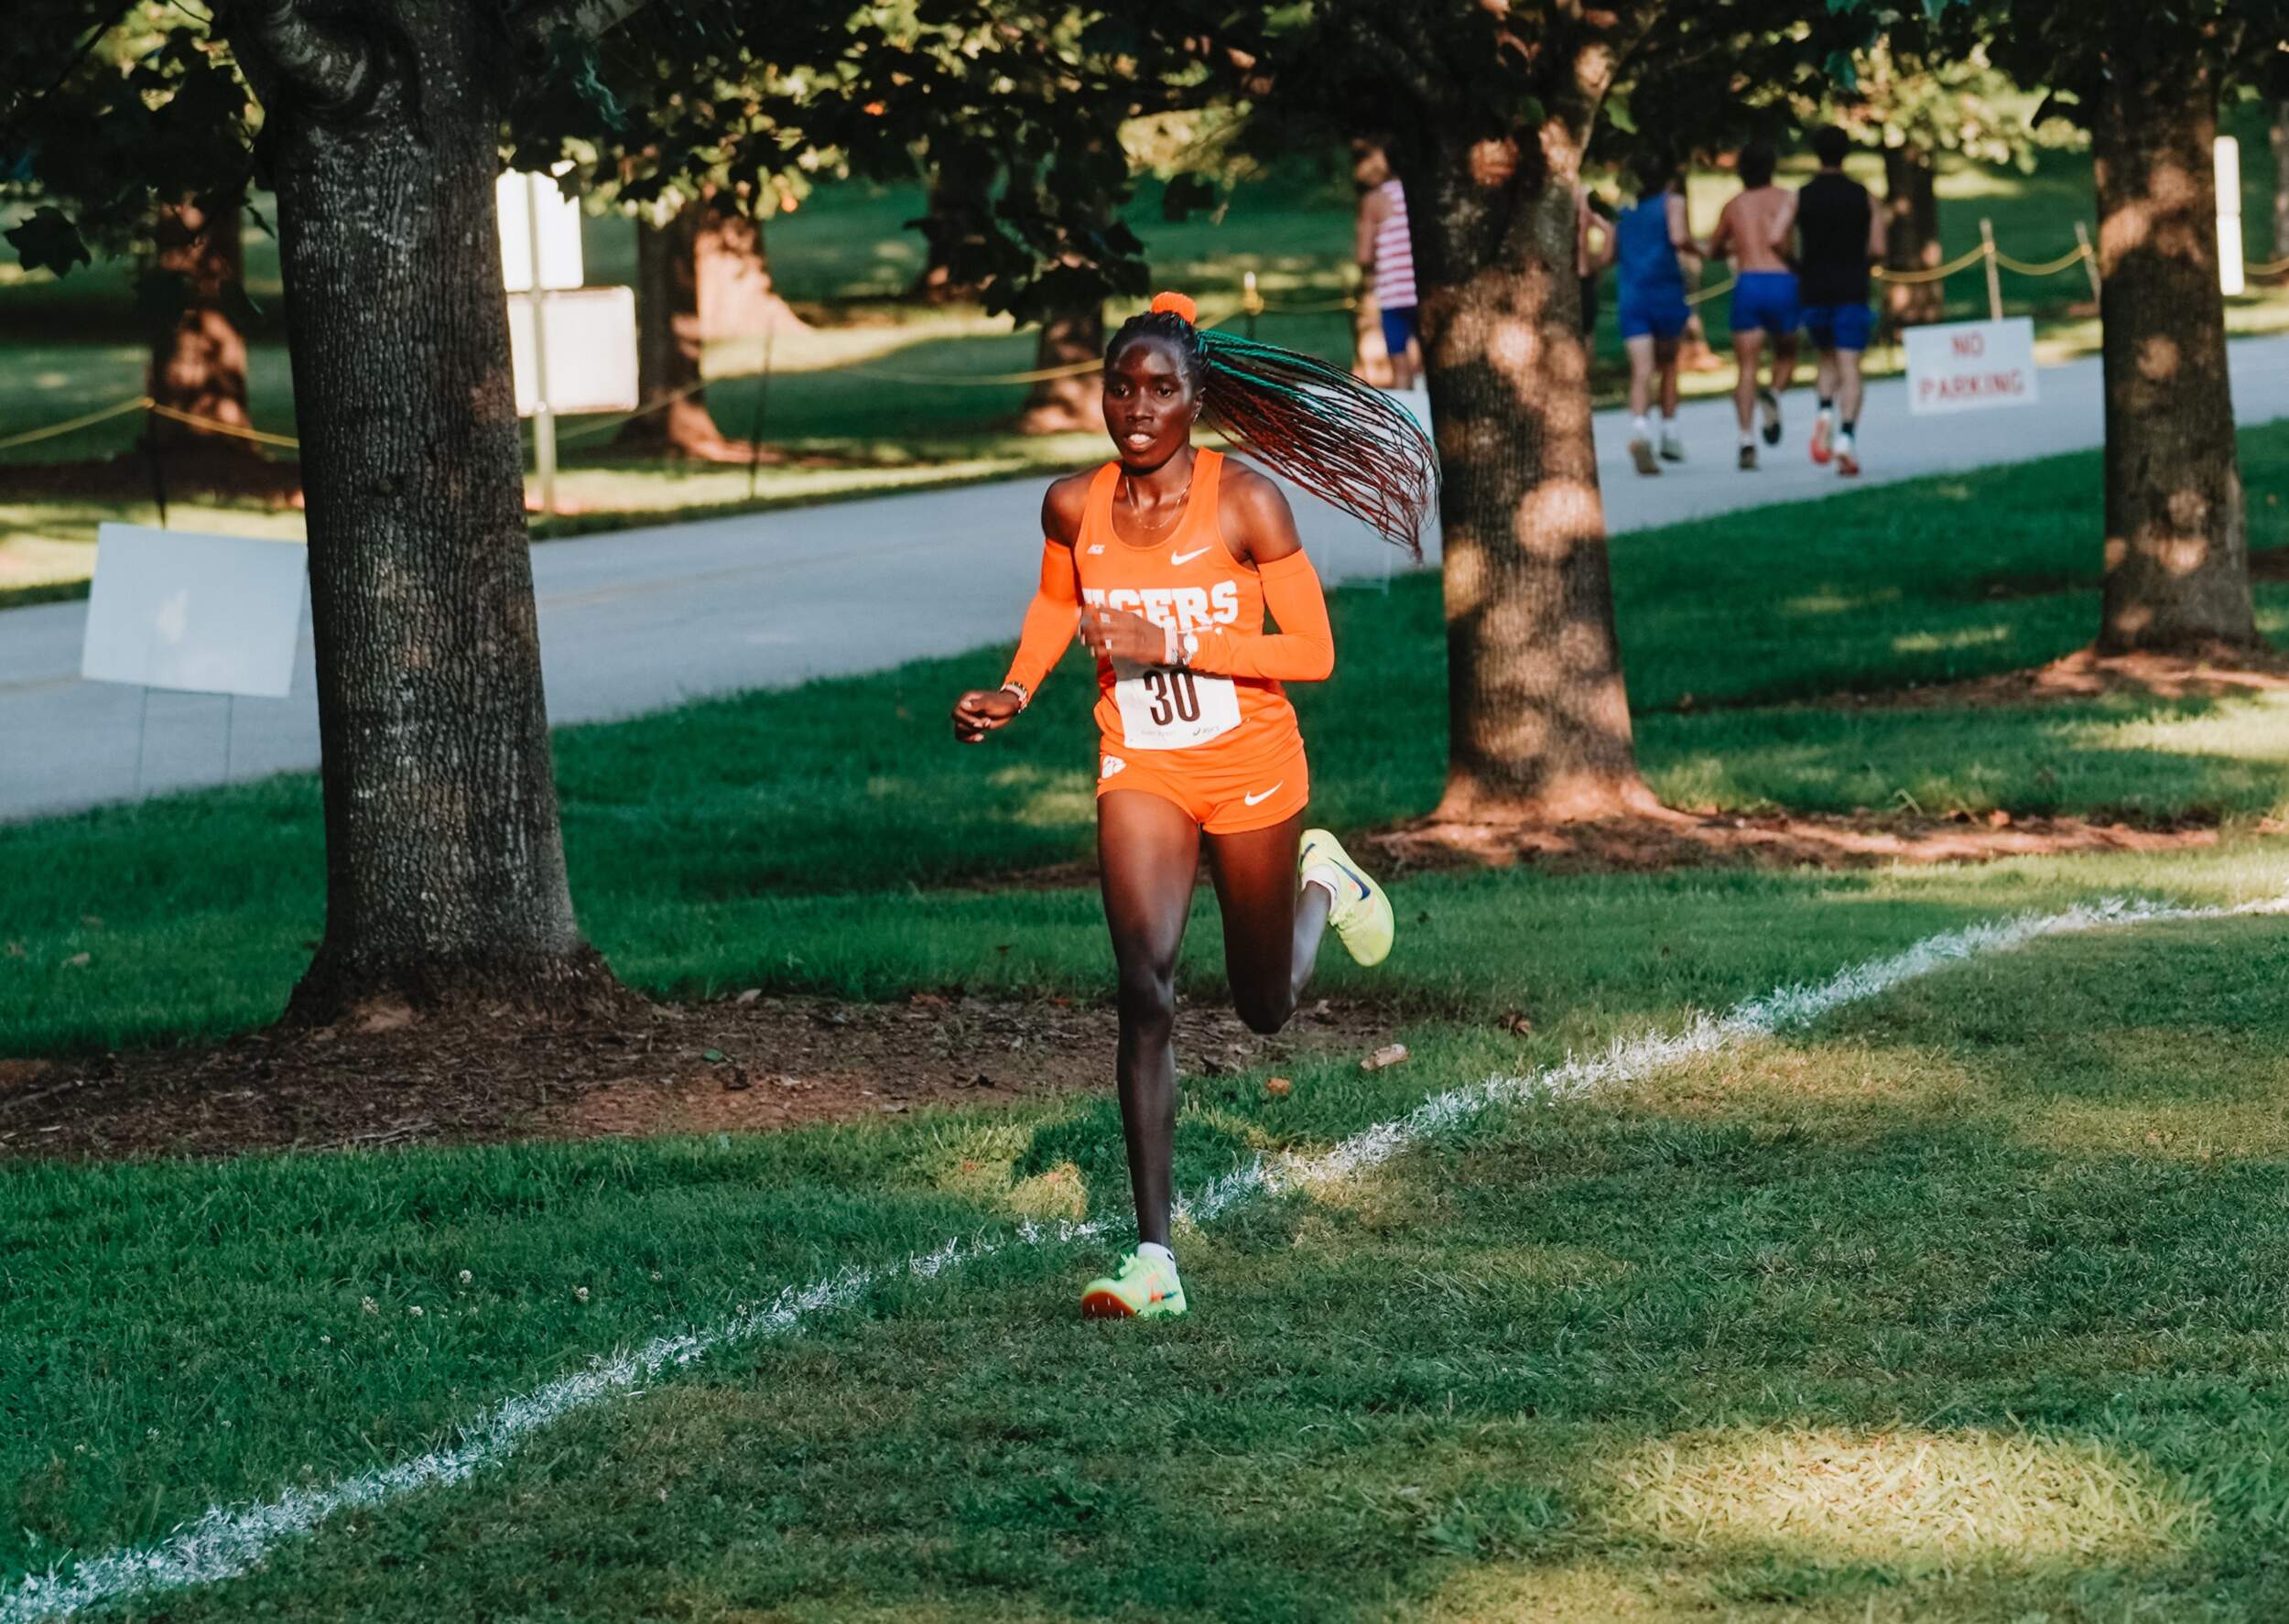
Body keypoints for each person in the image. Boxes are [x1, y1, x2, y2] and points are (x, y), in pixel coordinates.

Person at [951, 291, 1436, 1320]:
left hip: (1251, 768)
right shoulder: (1072, 506)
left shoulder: (1246, 502)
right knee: (1146, 987)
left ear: (1196, 399)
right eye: (1120, 387)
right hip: (1143, 766)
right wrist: (1016, 689)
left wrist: (1171, 641)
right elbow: (1057, 601)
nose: (1137, 409)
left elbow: (1313, 651)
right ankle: (1155, 1259)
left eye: (1161, 390)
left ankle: (1323, 881)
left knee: (1265, 1007)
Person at [1793, 125, 1884, 477]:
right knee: (1850, 366)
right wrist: (1863, 263)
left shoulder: (1801, 196)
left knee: (1826, 358)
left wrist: (1797, 264)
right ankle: (1845, 436)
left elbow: (1776, 236)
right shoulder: (1864, 196)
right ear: (1846, 152)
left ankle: (1824, 412)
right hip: (1851, 287)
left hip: (1814, 288)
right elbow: (1878, 247)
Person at [1707, 142, 1800, 470]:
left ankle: (1746, 439)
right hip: (1783, 281)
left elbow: (1713, 249)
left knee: (1747, 367)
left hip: (1749, 282)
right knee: (1787, 353)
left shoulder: (1734, 205)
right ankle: (1773, 393)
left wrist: (1735, 248)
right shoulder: (1788, 198)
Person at [1610, 154, 1694, 475]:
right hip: (1666, 292)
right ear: (1667, 180)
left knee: (1642, 368)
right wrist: (1701, 250)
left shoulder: (1622, 211)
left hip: (1632, 294)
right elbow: (1678, 238)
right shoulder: (1673, 203)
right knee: (1669, 364)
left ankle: (1640, 430)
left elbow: (1609, 254)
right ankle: (1670, 433)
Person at [1354, 146, 1420, 389]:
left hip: (1394, 295)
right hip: (1425, 292)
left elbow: (1364, 255)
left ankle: (1407, 410)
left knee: (1401, 367)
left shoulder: (1376, 200)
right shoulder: (1424, 194)